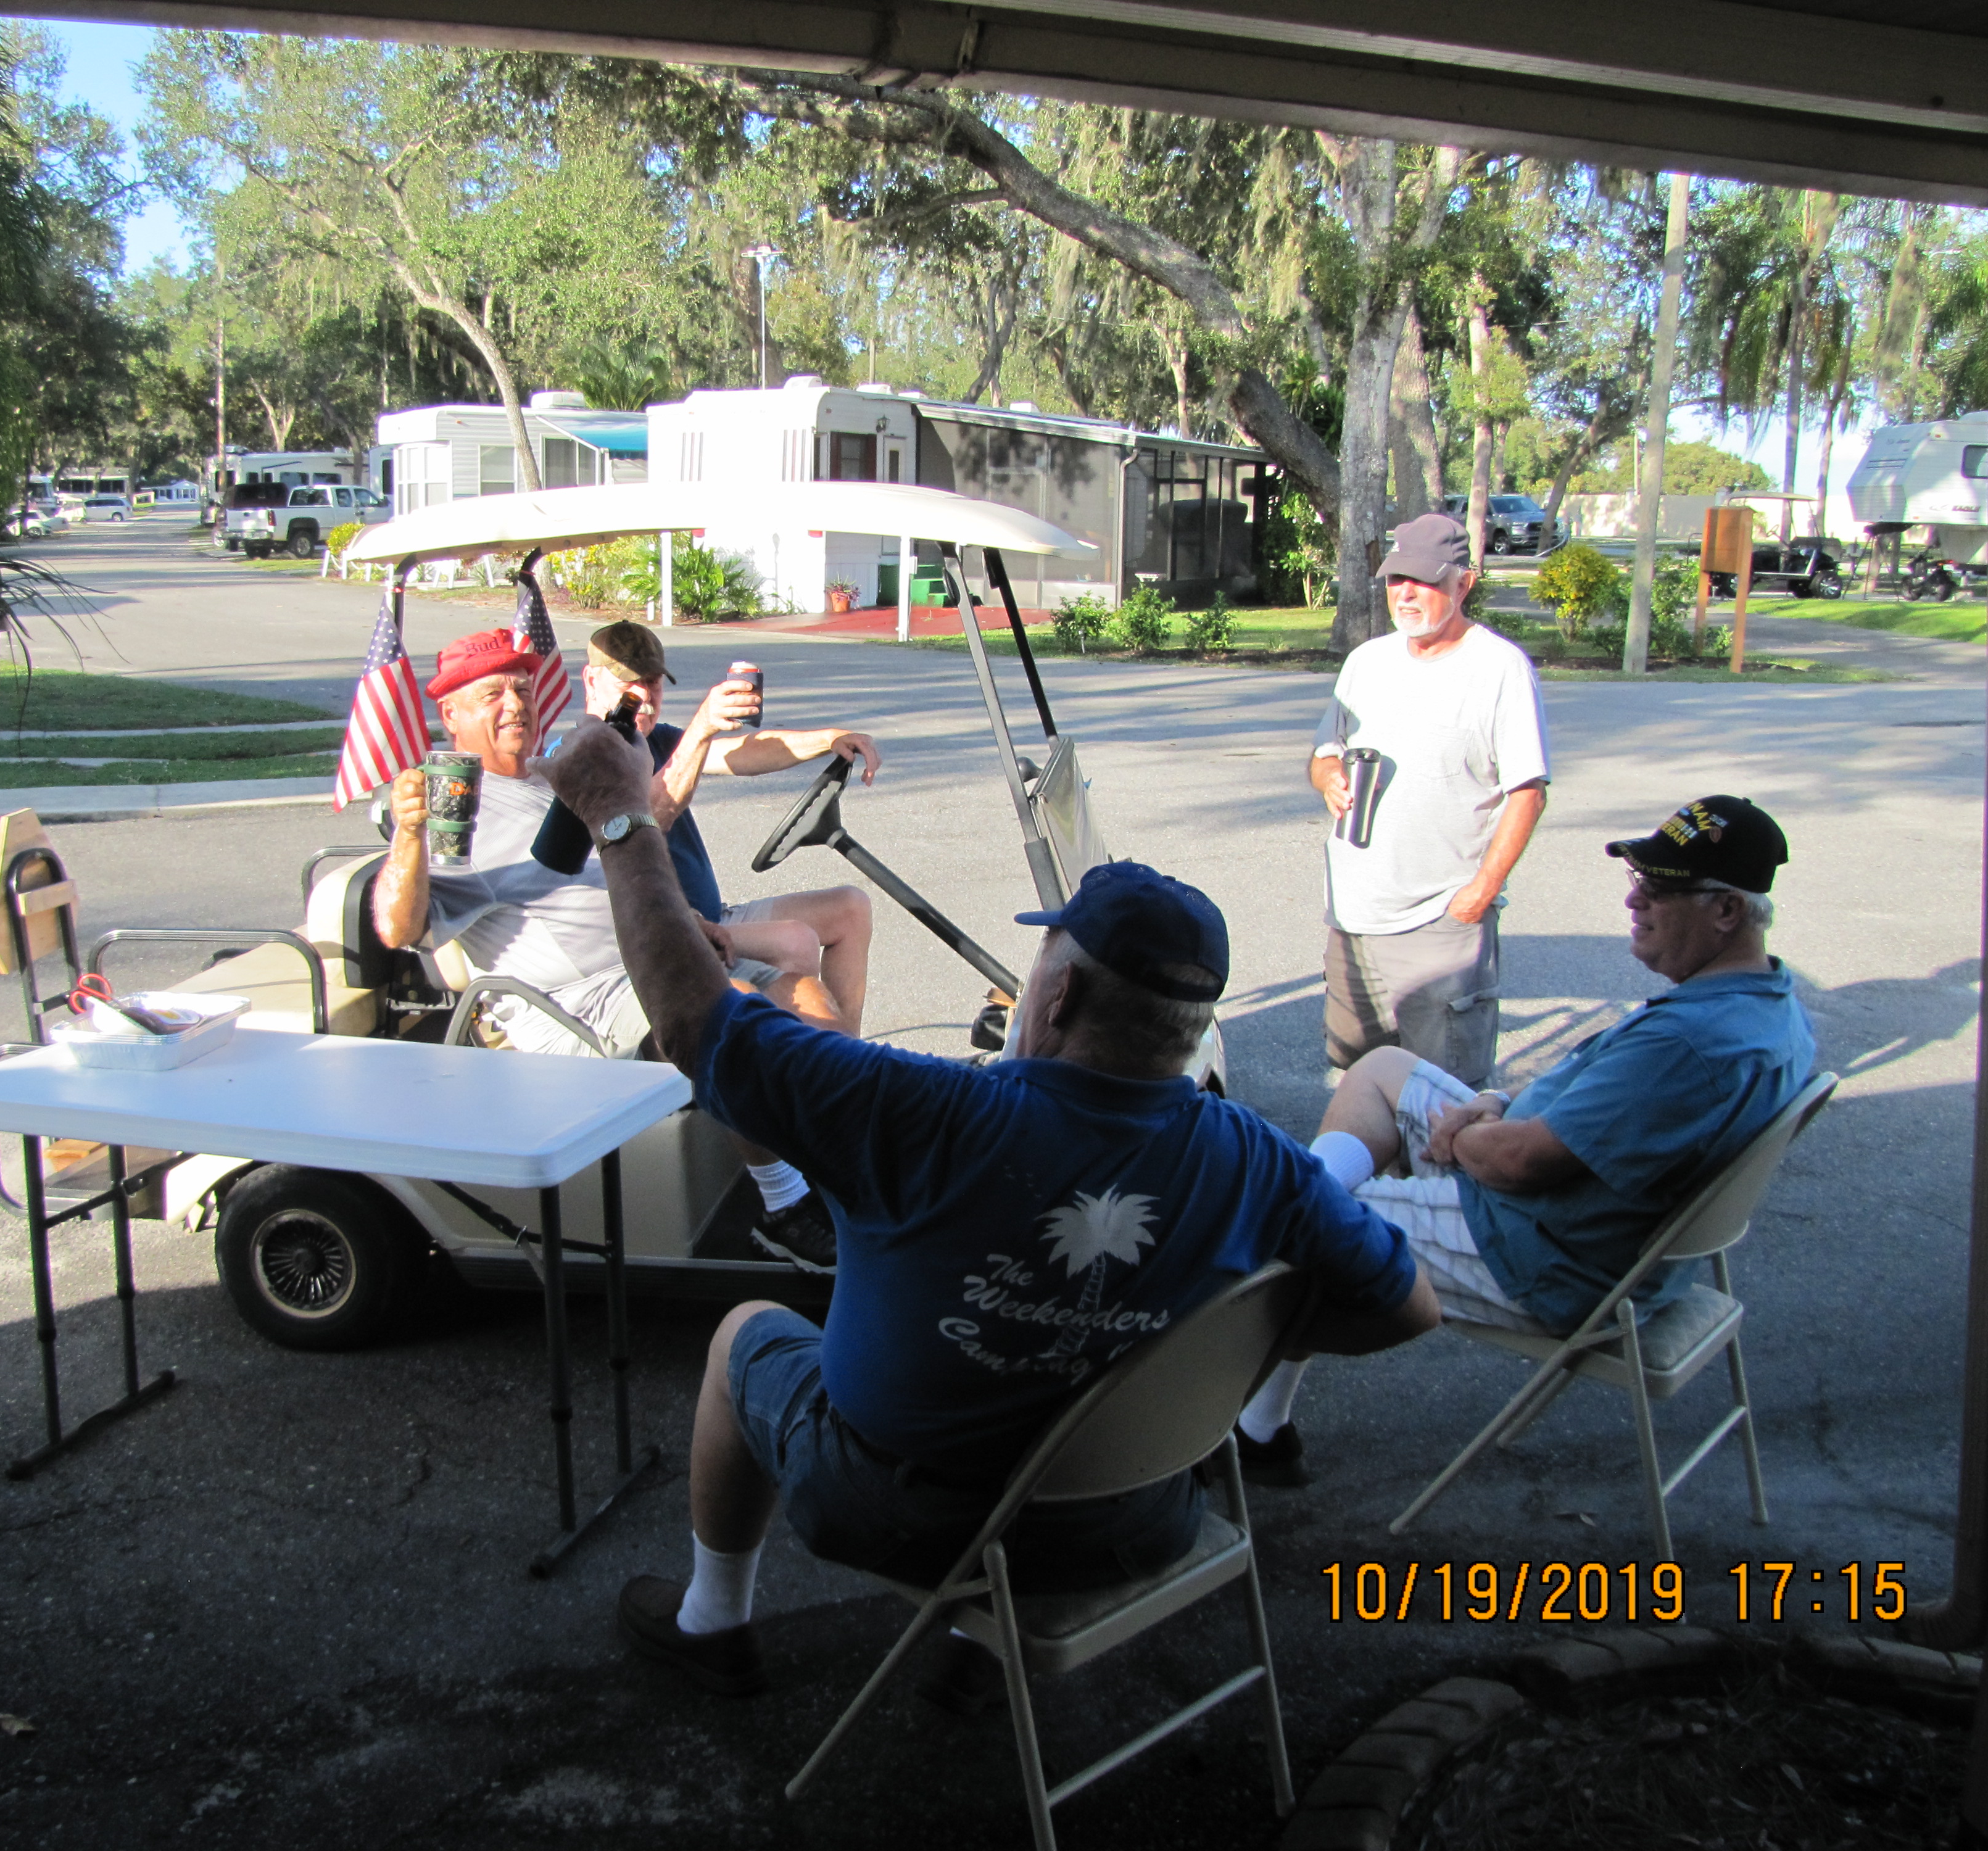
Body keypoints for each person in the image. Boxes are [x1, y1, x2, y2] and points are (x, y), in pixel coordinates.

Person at [532, 714, 1441, 1697]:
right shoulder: (1263, 1166)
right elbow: (1406, 1309)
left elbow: (692, 1022)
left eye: (1044, 957)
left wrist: (622, 818)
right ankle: (978, 1643)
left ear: (1054, 1001)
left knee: (748, 1332)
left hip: (899, 1511)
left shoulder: (922, 1115)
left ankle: (711, 1623)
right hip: (1133, 1521)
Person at [1235, 795, 1813, 1486]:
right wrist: (1495, 1102)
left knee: (1289, 1228)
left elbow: (1518, 1164)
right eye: (1639, 883)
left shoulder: (1689, 1044)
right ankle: (1272, 1383)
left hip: (1541, 1253)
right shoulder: (1766, 1008)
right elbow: (1585, 1113)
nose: (1635, 902)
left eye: (1658, 890)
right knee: (1379, 1069)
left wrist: (1470, 1139)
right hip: (1589, 1221)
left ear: (1725, 913)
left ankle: (1253, 1427)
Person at [371, 630, 842, 1269]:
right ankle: (784, 1208)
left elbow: (628, 859)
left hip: (641, 962)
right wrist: (408, 834)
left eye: (521, 689)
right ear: (450, 714)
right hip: (568, 1007)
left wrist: (680, 921)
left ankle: (838, 1170)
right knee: (730, 1011)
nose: (514, 704)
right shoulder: (452, 809)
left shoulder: (554, 778)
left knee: (807, 995)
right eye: (491, 695)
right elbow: (399, 928)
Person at [1309, 511, 1550, 1088]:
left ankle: (1435, 1182)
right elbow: (1325, 749)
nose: (1406, 594)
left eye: (1424, 581)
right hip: (1353, 916)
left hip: (1441, 922)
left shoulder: (1499, 669)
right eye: (1396, 580)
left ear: (1463, 583)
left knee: (1444, 1098)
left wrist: (1479, 894)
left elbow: (1528, 792)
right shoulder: (1366, 662)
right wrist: (1326, 776)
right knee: (1356, 1081)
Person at [581, 620, 878, 1038]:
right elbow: (648, 814)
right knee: (795, 942)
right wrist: (702, 727)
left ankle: (851, 1056)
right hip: (668, 932)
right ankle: (823, 1069)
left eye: (652, 682)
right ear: (592, 680)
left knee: (850, 907)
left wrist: (830, 739)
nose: (644, 696)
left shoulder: (658, 740)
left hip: (715, 914)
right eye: (630, 683)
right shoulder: (585, 755)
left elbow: (743, 751)